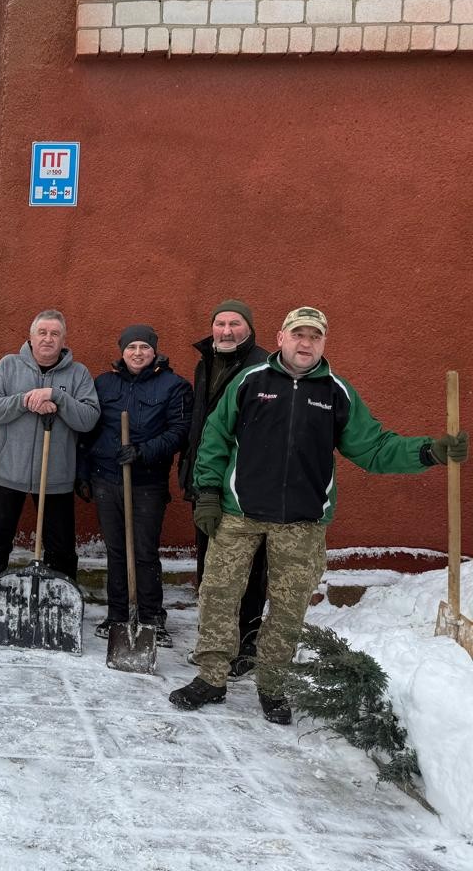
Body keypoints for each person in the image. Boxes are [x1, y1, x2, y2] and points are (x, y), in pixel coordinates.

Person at [170, 307, 468, 725]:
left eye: (314, 336)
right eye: (298, 334)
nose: (305, 343)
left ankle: (272, 685)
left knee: (289, 609)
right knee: (219, 595)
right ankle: (211, 677)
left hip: (303, 522)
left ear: (323, 343)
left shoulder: (335, 392)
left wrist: (427, 452)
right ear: (280, 338)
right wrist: (207, 493)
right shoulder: (250, 381)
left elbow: (374, 448)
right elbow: (215, 438)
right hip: (240, 514)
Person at [0, 309, 99, 631]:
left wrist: (58, 396)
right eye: (42, 332)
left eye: (54, 334)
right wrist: (26, 400)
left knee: (61, 550)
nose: (47, 339)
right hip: (8, 472)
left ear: (63, 339)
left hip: (55, 477)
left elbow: (88, 418)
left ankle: (61, 612)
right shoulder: (9, 366)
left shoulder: (78, 374)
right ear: (31, 337)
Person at [78, 324, 190, 646]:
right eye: (131, 347)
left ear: (155, 350)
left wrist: (142, 452)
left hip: (146, 482)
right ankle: (117, 615)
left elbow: (179, 431)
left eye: (144, 347)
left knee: (143, 551)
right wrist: (83, 473)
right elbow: (88, 432)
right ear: (122, 351)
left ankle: (152, 617)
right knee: (115, 551)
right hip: (106, 477)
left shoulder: (174, 386)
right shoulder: (104, 383)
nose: (137, 353)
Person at [179, 300, 269, 676]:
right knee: (210, 566)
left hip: (244, 486)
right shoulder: (206, 364)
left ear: (249, 328)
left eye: (235, 323)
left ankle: (246, 643)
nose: (226, 330)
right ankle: (214, 641)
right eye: (220, 323)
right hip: (207, 479)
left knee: (249, 567)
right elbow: (202, 425)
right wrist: (193, 476)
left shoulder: (262, 368)